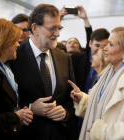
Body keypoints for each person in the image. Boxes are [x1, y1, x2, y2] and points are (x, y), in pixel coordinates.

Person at [9, 4, 76, 140]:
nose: (57, 34)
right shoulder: (14, 56)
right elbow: (3, 104)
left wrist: (65, 112)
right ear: (35, 28)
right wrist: (30, 107)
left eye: (59, 28)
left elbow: (72, 100)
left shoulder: (64, 57)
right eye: (52, 29)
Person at [69, 26, 124, 140]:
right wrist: (83, 100)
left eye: (110, 44)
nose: (105, 48)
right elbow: (100, 105)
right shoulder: (107, 73)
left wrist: (104, 131)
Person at [0, 18, 33, 140]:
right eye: (15, 40)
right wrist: (15, 117)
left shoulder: (5, 67)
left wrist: (21, 113)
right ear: (3, 41)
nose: (18, 44)